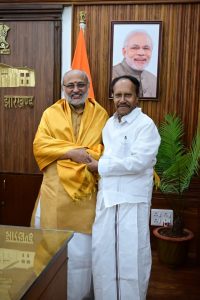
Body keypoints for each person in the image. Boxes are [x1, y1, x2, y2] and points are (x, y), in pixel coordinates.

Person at [31, 69, 108, 300]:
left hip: (84, 194)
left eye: (80, 85)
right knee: (51, 248)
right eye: (70, 86)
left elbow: (106, 149)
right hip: (55, 192)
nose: (75, 90)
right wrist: (70, 152)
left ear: (88, 86)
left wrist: (83, 154)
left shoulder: (101, 114)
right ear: (63, 88)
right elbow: (40, 146)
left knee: (82, 253)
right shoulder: (50, 113)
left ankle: (80, 295)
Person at [86, 75, 161, 299]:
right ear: (112, 97)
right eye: (118, 95)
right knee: (104, 257)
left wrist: (102, 166)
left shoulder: (145, 125)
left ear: (137, 97)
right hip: (108, 201)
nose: (122, 100)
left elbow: (140, 162)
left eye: (127, 95)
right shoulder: (109, 124)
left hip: (132, 203)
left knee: (132, 259)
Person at [112, 30, 157, 98]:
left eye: (146, 48)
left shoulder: (154, 80)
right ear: (124, 52)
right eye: (135, 48)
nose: (141, 53)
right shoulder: (110, 75)